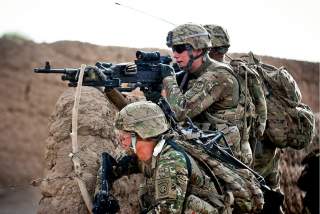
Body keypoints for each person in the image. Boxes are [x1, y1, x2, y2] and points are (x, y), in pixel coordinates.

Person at [203, 24, 283, 212]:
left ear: (210, 48)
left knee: (251, 201)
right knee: (270, 198)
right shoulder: (243, 73)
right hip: (264, 152)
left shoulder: (221, 78)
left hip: (249, 154)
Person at [111, 101, 232, 213]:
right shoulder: (148, 152)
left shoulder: (171, 161)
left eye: (123, 138)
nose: (121, 143)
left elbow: (168, 211)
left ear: (143, 134)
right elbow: (114, 165)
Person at [161, 23, 252, 164]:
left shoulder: (218, 75)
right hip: (203, 146)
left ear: (199, 49)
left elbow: (180, 111)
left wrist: (168, 79)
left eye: (180, 49)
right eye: (173, 49)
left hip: (224, 156)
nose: (175, 55)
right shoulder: (190, 73)